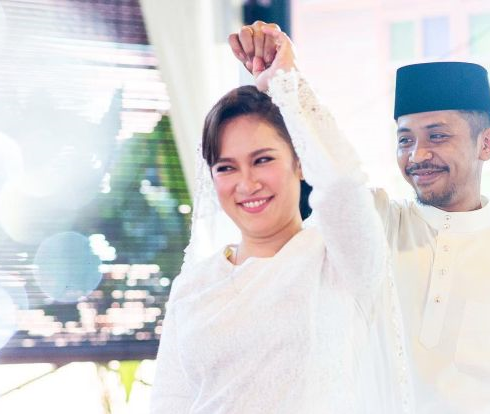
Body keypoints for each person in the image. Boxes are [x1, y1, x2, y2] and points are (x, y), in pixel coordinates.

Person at [230, 22, 490, 414]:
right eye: (405, 139)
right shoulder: (377, 222)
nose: (417, 155)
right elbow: (336, 177)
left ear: (486, 143)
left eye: (438, 136)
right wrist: (287, 84)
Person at [150, 27, 411, 413]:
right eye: (226, 167)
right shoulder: (193, 286)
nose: (247, 183)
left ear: (300, 162)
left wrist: (288, 82)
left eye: (263, 160)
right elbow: (168, 403)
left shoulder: (338, 260)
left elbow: (341, 184)